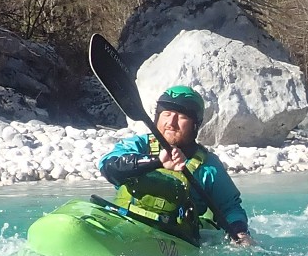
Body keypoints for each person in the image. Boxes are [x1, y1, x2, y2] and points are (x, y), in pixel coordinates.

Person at [98, 86, 254, 247]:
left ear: (195, 124)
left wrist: (240, 232)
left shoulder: (208, 166)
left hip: (173, 238)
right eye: (166, 114)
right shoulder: (138, 145)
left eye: (181, 117)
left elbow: (230, 207)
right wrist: (157, 162)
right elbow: (108, 167)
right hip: (125, 221)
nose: (171, 123)